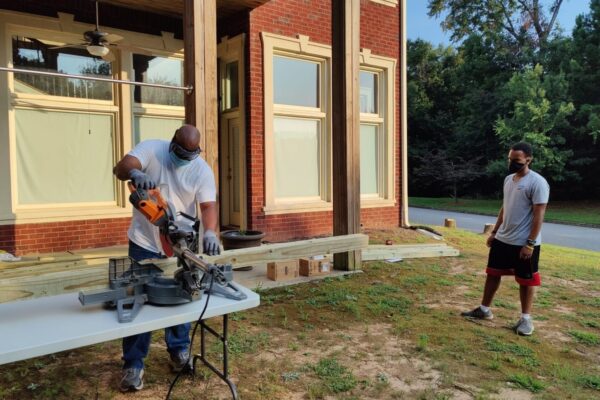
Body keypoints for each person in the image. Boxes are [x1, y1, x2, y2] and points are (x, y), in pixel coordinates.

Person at [113, 124, 221, 391]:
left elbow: (207, 205)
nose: (183, 159)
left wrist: (210, 232)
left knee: (182, 294)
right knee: (139, 300)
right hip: (144, 241)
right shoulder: (152, 149)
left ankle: (179, 351)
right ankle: (133, 364)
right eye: (180, 153)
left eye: (190, 155)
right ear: (172, 143)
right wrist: (136, 172)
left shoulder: (202, 170)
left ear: (197, 152)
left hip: (180, 241)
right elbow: (120, 168)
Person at [461, 142, 549, 336]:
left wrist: (530, 243)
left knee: (526, 281)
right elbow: (505, 207)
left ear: (528, 159)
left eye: (516, 160)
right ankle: (484, 310)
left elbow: (539, 216)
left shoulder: (538, 182)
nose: (511, 163)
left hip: (524, 243)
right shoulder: (509, 179)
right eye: (510, 159)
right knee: (493, 274)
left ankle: (526, 320)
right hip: (503, 239)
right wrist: (495, 232)